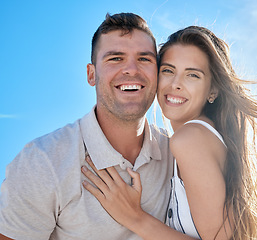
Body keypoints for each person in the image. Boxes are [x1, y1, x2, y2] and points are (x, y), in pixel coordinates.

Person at [81, 26, 257, 240]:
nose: (176, 84)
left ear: (213, 90)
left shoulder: (189, 140)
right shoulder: (201, 136)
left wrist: (134, 217)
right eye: (168, 71)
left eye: (192, 75)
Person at [0, 13, 173, 240]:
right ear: (91, 75)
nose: (132, 69)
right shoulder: (43, 161)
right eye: (115, 58)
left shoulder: (176, 154)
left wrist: (137, 218)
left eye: (144, 59)